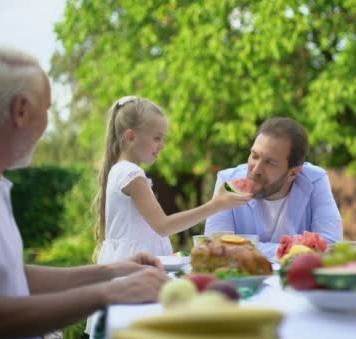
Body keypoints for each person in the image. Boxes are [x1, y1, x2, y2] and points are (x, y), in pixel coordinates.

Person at [0, 46, 169, 339]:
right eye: (47, 109)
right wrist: (108, 292)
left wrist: (111, 271)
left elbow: (11, 277)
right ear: (21, 110)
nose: (47, 125)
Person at [93, 96, 251, 264]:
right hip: (134, 268)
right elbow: (164, 226)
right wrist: (216, 205)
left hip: (127, 265)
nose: (162, 145)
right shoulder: (131, 174)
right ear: (131, 137)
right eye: (157, 138)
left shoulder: (120, 170)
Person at [205, 117, 343, 257]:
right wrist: (290, 250)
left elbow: (330, 244)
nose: (256, 170)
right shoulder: (228, 181)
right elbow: (216, 246)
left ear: (293, 173)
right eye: (254, 156)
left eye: (270, 162)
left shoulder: (315, 180)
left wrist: (247, 249)